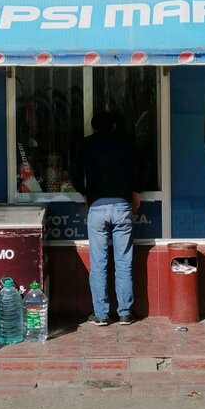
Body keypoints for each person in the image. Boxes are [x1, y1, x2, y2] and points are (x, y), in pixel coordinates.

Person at [71, 110, 144, 326]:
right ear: (113, 126)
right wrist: (136, 190)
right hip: (122, 206)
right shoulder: (126, 143)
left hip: (97, 208)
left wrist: (85, 192)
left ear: (93, 127)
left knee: (99, 262)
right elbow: (145, 165)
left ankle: (101, 314)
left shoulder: (86, 144)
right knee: (124, 262)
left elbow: (74, 172)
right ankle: (124, 313)